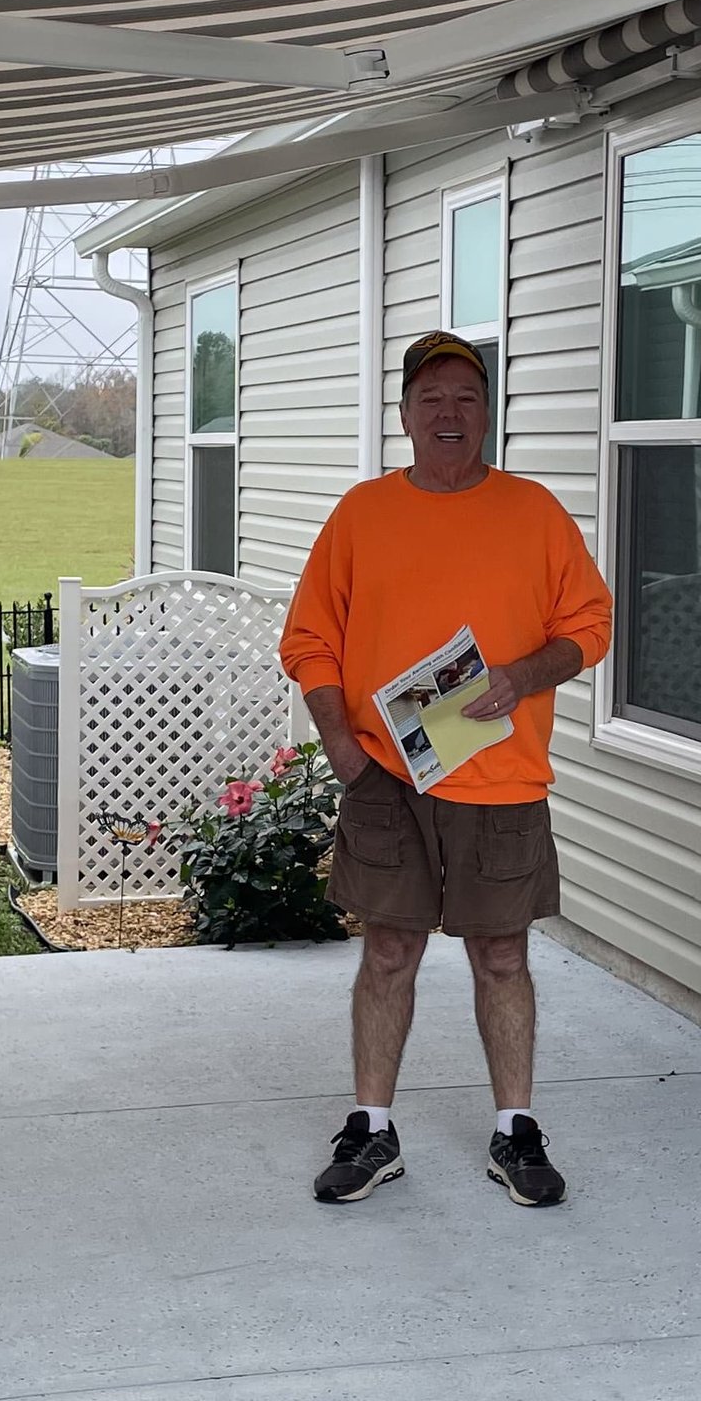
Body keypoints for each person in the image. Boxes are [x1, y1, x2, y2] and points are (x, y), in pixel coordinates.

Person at [280, 329, 613, 1209]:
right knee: (388, 949)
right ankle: (371, 1127)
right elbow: (308, 639)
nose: (450, 413)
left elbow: (592, 624)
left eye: (467, 396)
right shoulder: (363, 515)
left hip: (499, 776)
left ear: (487, 414)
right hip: (387, 776)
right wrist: (343, 749)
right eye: (432, 398)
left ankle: (516, 1132)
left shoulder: (534, 513)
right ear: (404, 416)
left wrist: (523, 676)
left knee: (503, 954)